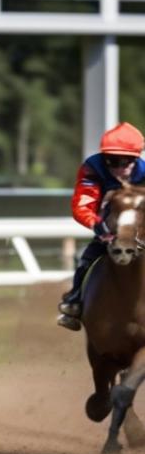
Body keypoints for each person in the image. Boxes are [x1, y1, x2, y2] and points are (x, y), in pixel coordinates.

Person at [57, 121, 145, 331]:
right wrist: (101, 229)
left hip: (141, 231)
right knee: (86, 258)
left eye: (126, 162)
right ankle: (74, 301)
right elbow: (83, 206)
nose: (118, 168)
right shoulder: (93, 168)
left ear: (136, 159)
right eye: (112, 161)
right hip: (109, 230)